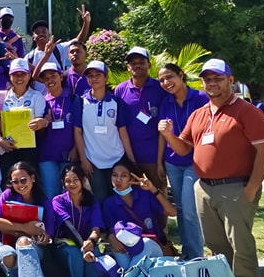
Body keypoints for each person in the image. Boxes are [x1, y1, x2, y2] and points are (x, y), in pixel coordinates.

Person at [161, 58, 264, 277]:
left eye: (218, 78)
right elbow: (183, 149)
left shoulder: (246, 111)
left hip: (237, 187)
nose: (212, 83)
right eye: (207, 79)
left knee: (241, 246)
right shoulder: (199, 114)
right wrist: (168, 136)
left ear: (230, 81)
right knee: (217, 246)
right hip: (204, 188)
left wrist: (253, 187)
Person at [156, 63, 209, 260]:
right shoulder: (166, 102)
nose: (166, 83)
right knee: (180, 208)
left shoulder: (200, 99)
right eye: (161, 80)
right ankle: (187, 252)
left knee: (189, 209)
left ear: (181, 75)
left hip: (194, 162)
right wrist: (160, 161)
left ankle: (196, 255)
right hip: (172, 162)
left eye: (169, 77)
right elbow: (162, 134)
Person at [0, 162, 55, 277]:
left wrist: (42, 238)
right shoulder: (8, 195)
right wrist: (23, 228)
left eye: (23, 180)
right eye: (15, 181)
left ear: (33, 178)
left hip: (32, 247)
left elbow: (48, 235)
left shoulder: (44, 201)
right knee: (8, 256)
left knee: (23, 242)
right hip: (4, 244)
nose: (20, 184)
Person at [71, 60, 134, 204]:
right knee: (100, 199)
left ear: (106, 77)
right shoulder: (81, 102)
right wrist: (83, 159)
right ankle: (104, 227)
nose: (94, 78)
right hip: (93, 161)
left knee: (120, 196)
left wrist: (130, 159)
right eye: (90, 75)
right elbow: (77, 132)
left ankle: (121, 226)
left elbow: (122, 131)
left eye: (98, 75)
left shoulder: (116, 102)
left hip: (116, 158)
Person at [102, 160, 175, 268]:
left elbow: (172, 212)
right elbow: (110, 227)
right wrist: (111, 237)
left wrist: (152, 188)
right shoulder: (109, 203)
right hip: (127, 248)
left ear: (132, 179)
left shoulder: (145, 195)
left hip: (151, 245)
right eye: (114, 175)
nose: (118, 180)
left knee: (146, 244)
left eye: (124, 176)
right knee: (118, 251)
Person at [114, 47, 167, 194]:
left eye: (141, 62)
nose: (137, 65)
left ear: (149, 64)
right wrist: (129, 159)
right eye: (133, 62)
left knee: (158, 197)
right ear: (128, 67)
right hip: (130, 157)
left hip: (155, 156)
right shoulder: (120, 90)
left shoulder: (159, 87)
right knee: (135, 198)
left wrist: (160, 161)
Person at [50, 165, 103, 277]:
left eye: (75, 180)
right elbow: (68, 227)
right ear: (63, 182)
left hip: (86, 244)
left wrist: (91, 241)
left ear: (83, 180)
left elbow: (96, 228)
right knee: (74, 253)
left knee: (96, 252)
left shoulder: (92, 201)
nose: (72, 184)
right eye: (68, 181)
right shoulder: (58, 201)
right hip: (64, 244)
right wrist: (84, 247)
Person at [0, 58, 49, 188]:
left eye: (22, 74)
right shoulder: (1, 96)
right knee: (8, 184)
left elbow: (40, 124)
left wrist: (41, 123)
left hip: (29, 148)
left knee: (29, 183)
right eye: (15, 74)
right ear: (10, 76)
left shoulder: (37, 96)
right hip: (8, 147)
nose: (19, 78)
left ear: (29, 75)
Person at [26, 6, 91, 93]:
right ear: (33, 37)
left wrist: (86, 23)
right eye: (37, 32)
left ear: (49, 34)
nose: (41, 34)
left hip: (59, 96)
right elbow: (32, 77)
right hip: (39, 99)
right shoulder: (29, 57)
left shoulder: (59, 49)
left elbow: (78, 41)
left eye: (44, 31)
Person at [39, 63, 77, 200]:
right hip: (47, 155)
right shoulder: (41, 101)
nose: (50, 80)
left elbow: (80, 127)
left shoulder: (74, 99)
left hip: (69, 154)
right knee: (51, 193)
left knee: (71, 193)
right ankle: (53, 221)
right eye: (46, 78)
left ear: (61, 76)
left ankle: (71, 221)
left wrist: (76, 148)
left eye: (53, 76)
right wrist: (44, 123)